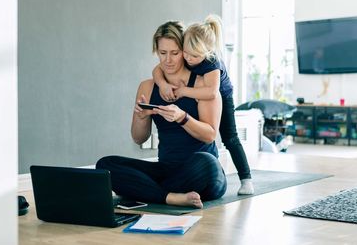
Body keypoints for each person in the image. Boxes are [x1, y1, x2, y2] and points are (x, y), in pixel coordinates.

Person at [96, 21, 227, 208]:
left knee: (207, 163)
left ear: (185, 50)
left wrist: (183, 118)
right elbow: (138, 138)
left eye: (175, 53)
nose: (168, 60)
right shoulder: (148, 87)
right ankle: (170, 197)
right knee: (105, 165)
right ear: (156, 51)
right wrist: (141, 118)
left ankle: (146, 191)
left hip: (199, 171)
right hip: (167, 170)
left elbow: (209, 135)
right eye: (162, 53)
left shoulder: (202, 86)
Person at [152, 15, 254, 195]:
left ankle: (246, 179)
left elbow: (211, 93)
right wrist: (163, 84)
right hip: (204, 93)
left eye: (195, 56)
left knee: (230, 138)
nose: (189, 59)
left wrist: (184, 92)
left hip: (223, 95)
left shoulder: (212, 63)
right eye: (185, 53)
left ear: (206, 53)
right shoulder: (188, 55)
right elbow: (157, 69)